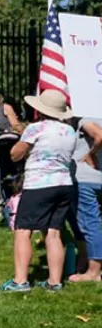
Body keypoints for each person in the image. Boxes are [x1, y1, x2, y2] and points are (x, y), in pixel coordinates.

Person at [2, 90, 79, 292]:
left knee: (23, 230)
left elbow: (15, 154)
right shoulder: (69, 132)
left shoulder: (36, 128)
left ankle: (20, 281)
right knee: (53, 233)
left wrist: (21, 142)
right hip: (63, 183)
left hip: (39, 184)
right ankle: (55, 282)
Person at [70, 116, 102, 282]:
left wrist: (91, 154)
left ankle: (94, 272)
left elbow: (100, 136)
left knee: (90, 224)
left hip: (88, 179)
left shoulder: (85, 118)